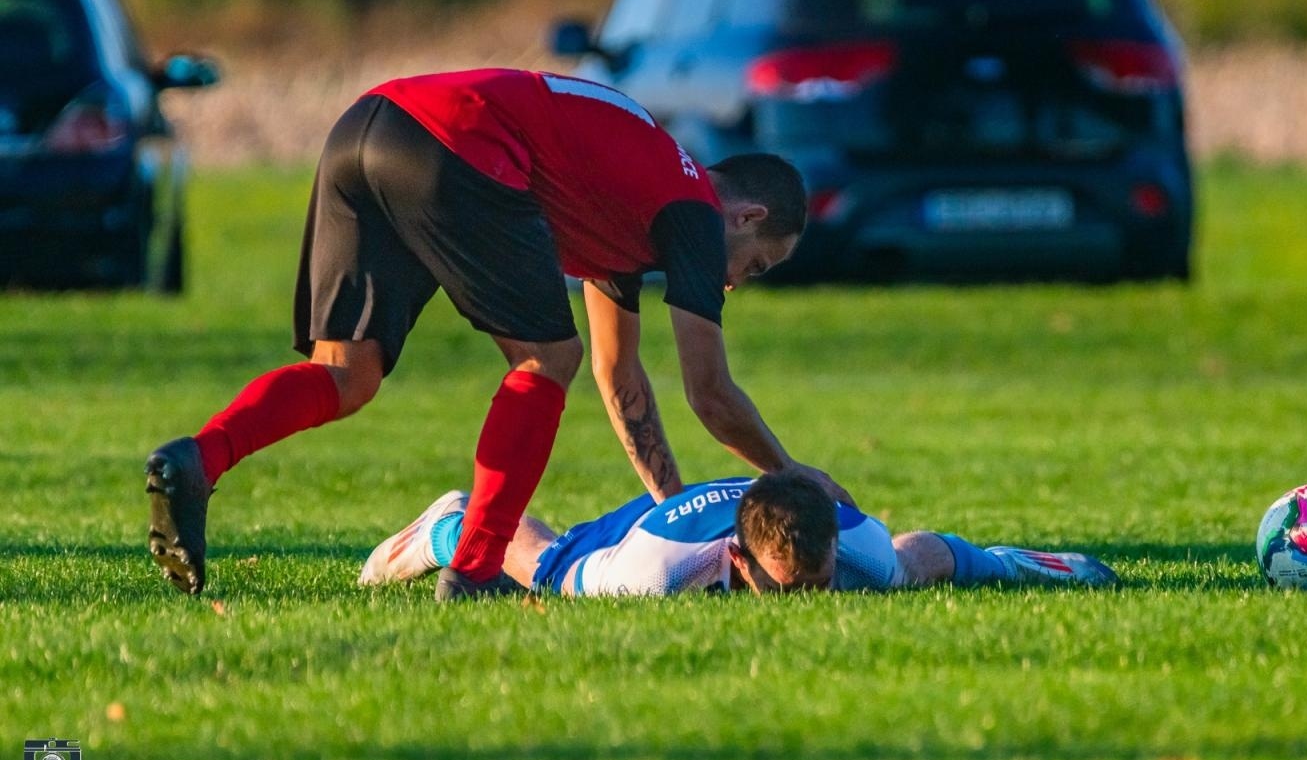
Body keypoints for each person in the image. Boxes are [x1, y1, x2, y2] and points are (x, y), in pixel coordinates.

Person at [144, 68, 850, 601]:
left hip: (367, 127)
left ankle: (199, 458)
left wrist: (677, 511)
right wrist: (795, 478)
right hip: (451, 143)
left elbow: (621, 378)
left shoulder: (633, 205)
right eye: (754, 266)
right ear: (748, 215)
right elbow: (711, 392)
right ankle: (476, 567)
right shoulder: (692, 206)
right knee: (547, 357)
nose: (734, 283)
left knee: (346, 375)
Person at [359, 471, 1118, 596]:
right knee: (548, 567)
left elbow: (935, 552)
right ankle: (447, 521)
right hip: (651, 522)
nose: (808, 605)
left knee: (907, 570)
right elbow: (559, 568)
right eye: (789, 593)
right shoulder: (651, 571)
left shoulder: (856, 551)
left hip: (776, 502)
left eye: (817, 587)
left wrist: (1035, 566)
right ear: (738, 562)